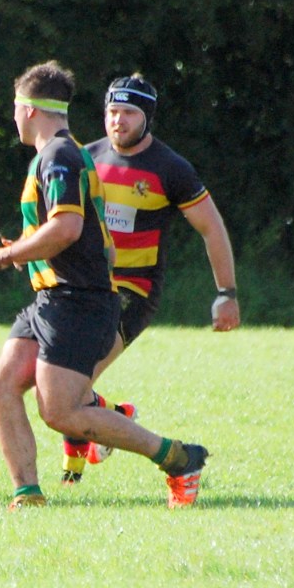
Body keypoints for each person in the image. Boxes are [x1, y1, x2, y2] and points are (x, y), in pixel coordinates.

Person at [0, 60, 209, 510]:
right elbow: (83, 237)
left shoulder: (58, 157)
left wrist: (7, 255)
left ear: (29, 109)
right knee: (2, 385)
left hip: (77, 302)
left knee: (60, 412)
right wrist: (28, 248)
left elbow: (66, 227)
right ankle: (28, 494)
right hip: (52, 298)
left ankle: (179, 458)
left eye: (15, 108)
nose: (13, 117)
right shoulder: (67, 154)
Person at [59, 74, 240, 483]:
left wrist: (226, 293)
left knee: (74, 380)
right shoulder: (86, 158)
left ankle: (73, 473)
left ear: (147, 117)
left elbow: (211, 228)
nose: (117, 120)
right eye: (112, 111)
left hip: (133, 291)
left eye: (128, 112)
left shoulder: (170, 169)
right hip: (84, 287)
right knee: (63, 380)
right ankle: (113, 416)